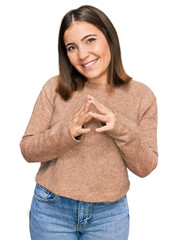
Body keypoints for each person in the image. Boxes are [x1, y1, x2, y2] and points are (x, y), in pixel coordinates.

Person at [20, 5, 158, 240]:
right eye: (71, 47)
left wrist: (120, 127)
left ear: (109, 38)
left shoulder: (142, 96)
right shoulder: (54, 88)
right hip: (51, 210)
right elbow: (28, 150)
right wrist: (68, 131)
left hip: (109, 216)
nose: (82, 55)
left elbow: (145, 167)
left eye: (90, 40)